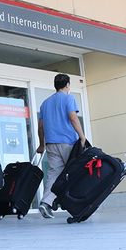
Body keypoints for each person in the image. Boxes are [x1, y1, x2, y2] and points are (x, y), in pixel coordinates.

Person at [35, 74, 87, 218]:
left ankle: (46, 202)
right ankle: (79, 205)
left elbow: (41, 127)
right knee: (77, 173)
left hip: (51, 144)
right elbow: (72, 117)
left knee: (54, 174)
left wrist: (41, 144)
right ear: (68, 85)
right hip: (68, 143)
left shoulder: (45, 103)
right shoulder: (68, 98)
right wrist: (82, 137)